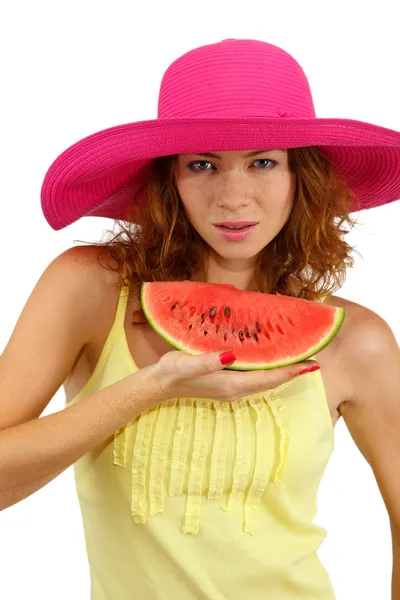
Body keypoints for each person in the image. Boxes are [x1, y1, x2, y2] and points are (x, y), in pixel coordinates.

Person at [1, 38, 400, 600]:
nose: (233, 198)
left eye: (263, 162)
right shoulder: (89, 289)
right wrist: (151, 387)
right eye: (203, 164)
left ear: (300, 178)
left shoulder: (359, 342)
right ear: (170, 178)